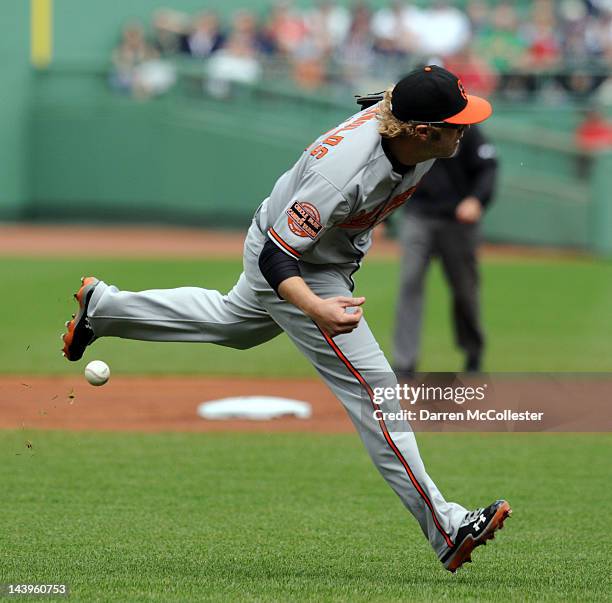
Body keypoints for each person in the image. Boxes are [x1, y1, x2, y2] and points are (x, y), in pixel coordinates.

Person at [61, 65, 511, 573]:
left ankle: (103, 307)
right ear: (423, 130)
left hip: (314, 248)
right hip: (298, 262)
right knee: (375, 392)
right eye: (458, 122)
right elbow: (279, 259)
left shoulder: (411, 134)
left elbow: (381, 103)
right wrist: (317, 307)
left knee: (234, 325)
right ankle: (447, 526)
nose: (467, 128)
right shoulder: (342, 174)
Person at [393, 123, 498, 378]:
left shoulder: (466, 128)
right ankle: (404, 363)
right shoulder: (413, 126)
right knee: (410, 284)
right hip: (418, 215)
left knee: (465, 292)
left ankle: (473, 352)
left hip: (458, 220)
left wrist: (477, 199)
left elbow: (488, 168)